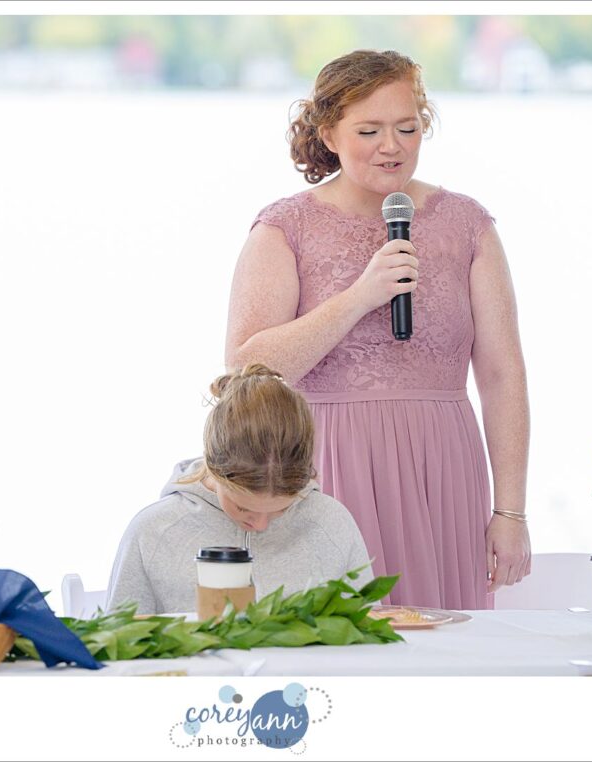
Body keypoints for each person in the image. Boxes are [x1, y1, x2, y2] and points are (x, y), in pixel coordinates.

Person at [224, 50, 531, 609]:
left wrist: (510, 511)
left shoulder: (467, 224)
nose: (391, 146)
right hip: (327, 466)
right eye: (369, 130)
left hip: (444, 468)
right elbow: (246, 370)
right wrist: (359, 297)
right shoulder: (285, 227)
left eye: (407, 128)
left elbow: (503, 375)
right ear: (329, 133)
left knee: (447, 648)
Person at [106, 363, 373, 615]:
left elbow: (370, 641)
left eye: (280, 509)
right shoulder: (153, 531)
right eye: (242, 507)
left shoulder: (332, 523)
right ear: (213, 466)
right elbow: (120, 649)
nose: (259, 525)